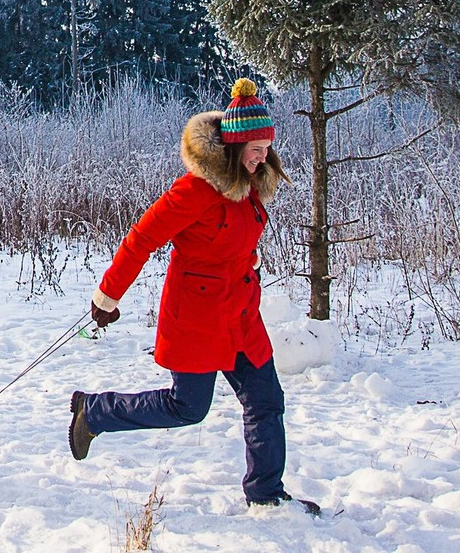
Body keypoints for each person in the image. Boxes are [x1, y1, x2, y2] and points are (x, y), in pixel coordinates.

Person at [66, 80, 318, 514]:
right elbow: (142, 238)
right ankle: (96, 412)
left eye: (266, 148)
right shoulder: (194, 190)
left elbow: (233, 237)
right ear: (235, 147)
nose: (262, 157)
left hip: (241, 317)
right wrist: (108, 294)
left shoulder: (253, 183)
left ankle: (266, 494)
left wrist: (249, 261)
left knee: (266, 402)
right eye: (254, 149)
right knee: (187, 407)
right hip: (197, 317)